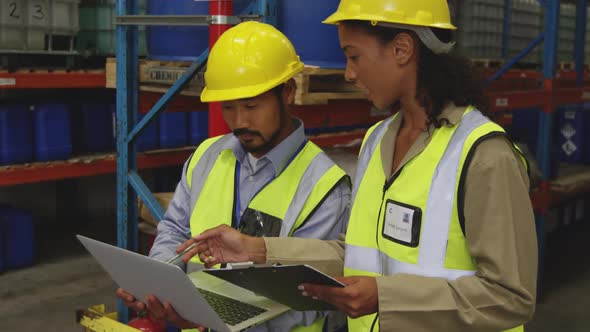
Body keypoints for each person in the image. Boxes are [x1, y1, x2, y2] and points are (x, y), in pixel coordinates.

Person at [182, 0, 539, 331]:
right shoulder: (377, 141)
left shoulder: (483, 155)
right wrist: (257, 250)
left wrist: (386, 296)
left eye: (354, 56)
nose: (350, 73)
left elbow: (510, 296)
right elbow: (354, 254)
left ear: (401, 49)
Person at [116, 21, 351, 332]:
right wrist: (157, 289)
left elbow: (309, 298)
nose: (239, 121)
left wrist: (209, 316)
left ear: (288, 93)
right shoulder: (206, 157)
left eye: (252, 106)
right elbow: (174, 232)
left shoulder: (326, 188)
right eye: (228, 107)